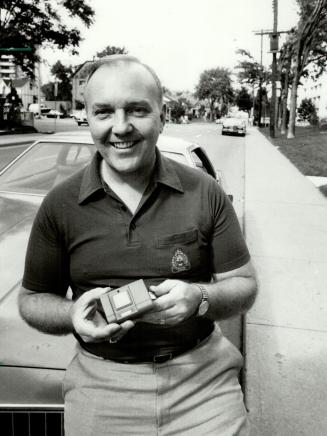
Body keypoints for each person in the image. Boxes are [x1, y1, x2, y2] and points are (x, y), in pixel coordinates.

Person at [19, 55, 257, 436]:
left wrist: (199, 297)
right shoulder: (59, 205)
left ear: (162, 116)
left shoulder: (205, 192)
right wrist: (72, 315)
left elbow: (244, 286)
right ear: (88, 118)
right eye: (103, 112)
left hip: (202, 381)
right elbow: (32, 299)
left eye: (137, 110)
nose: (120, 127)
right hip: (101, 384)